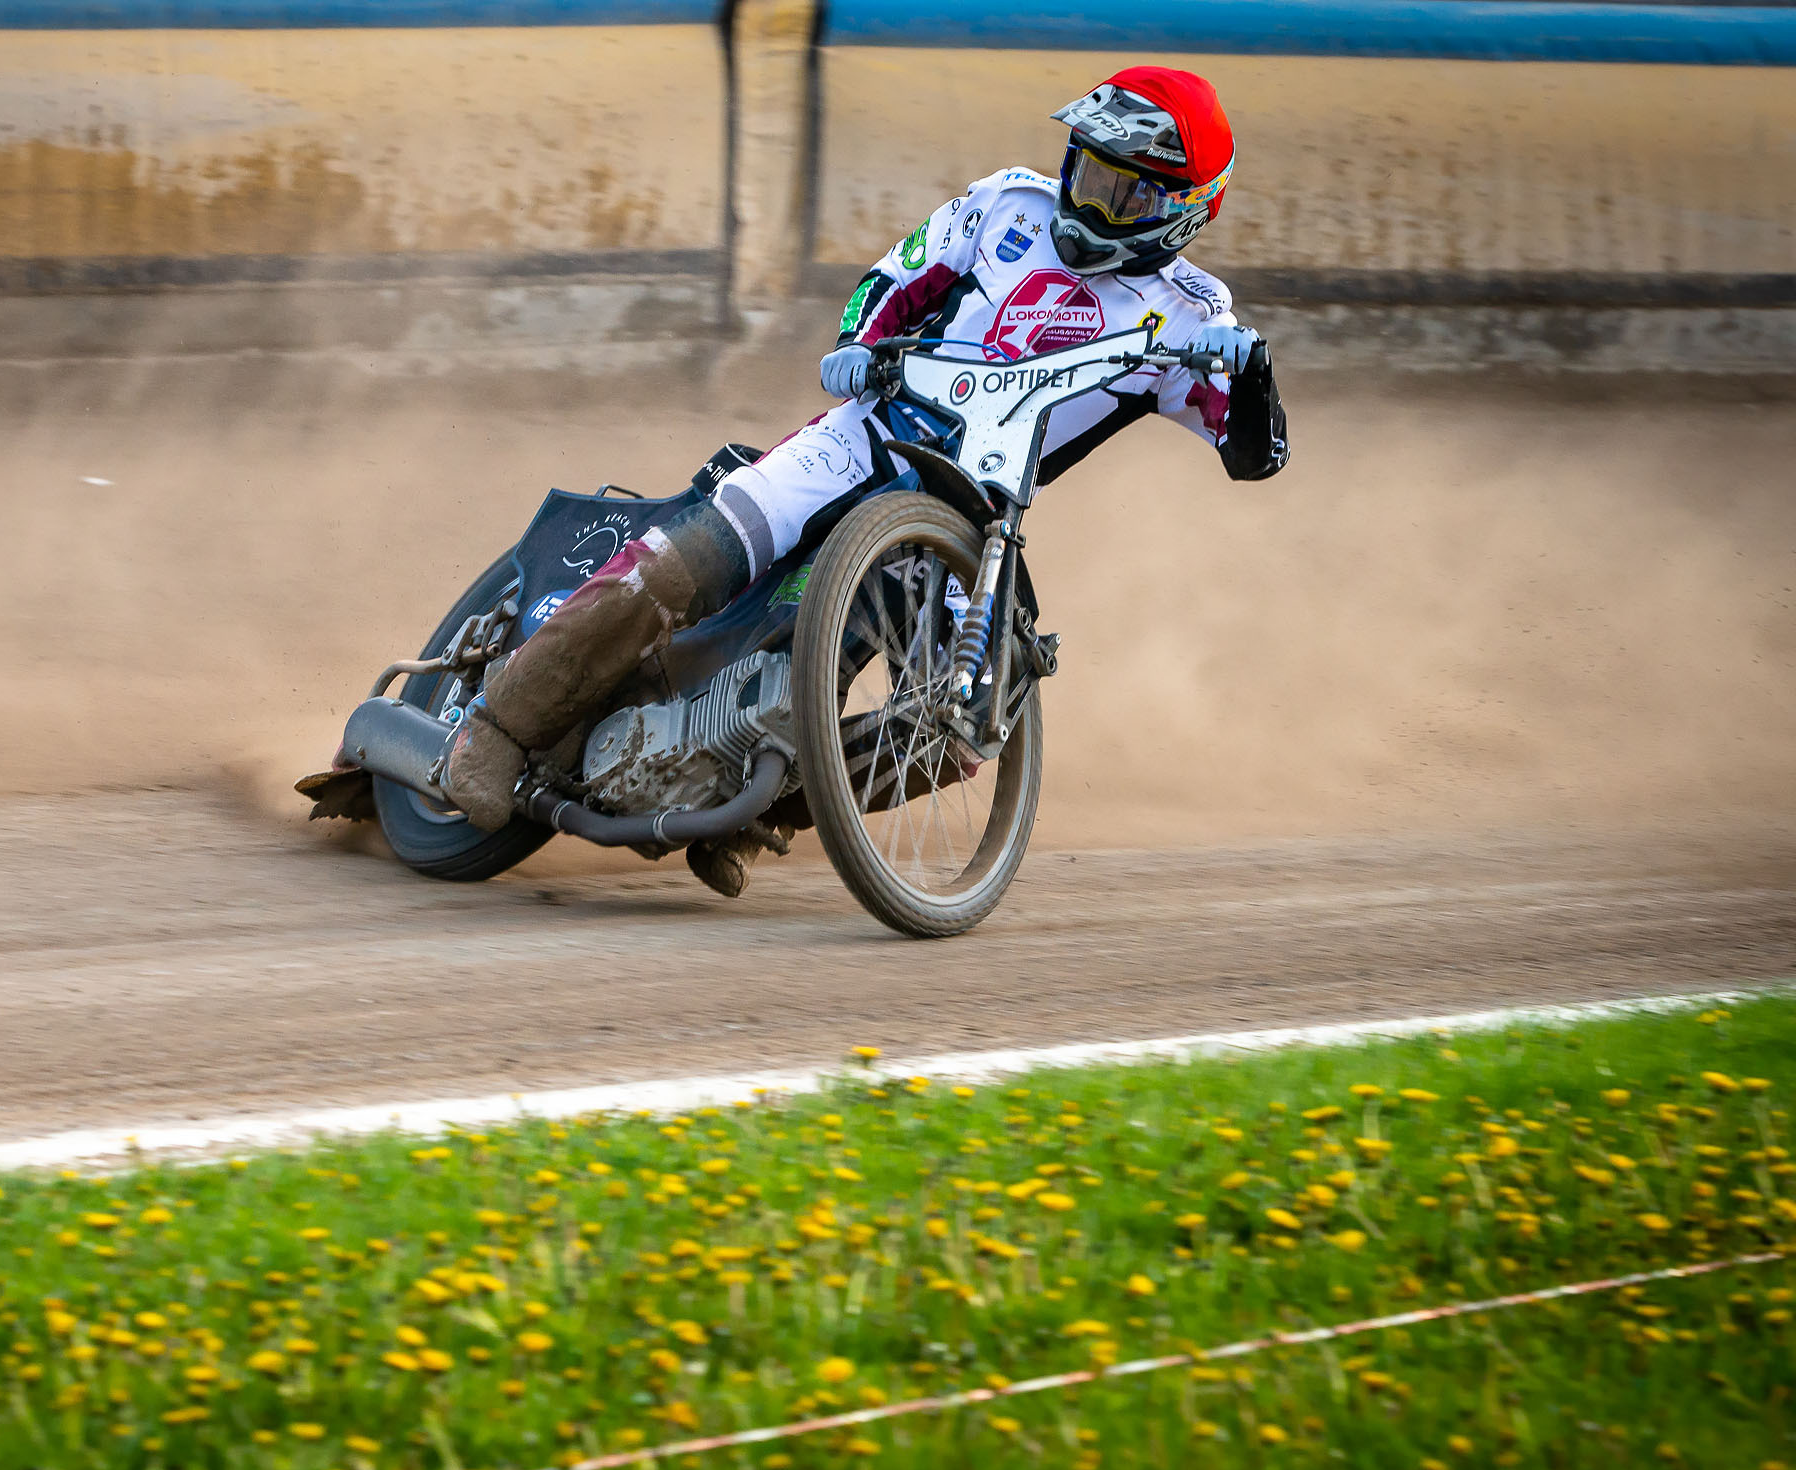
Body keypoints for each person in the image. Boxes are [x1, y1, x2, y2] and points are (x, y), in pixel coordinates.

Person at [445, 65, 1290, 895]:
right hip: (866, 434)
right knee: (692, 555)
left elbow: (1253, 457)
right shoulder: (1009, 202)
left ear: (1187, 210)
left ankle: (763, 803)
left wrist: (1251, 373)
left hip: (968, 517)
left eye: (1126, 194)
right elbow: (894, 277)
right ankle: (494, 729)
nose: (1091, 202)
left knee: (965, 727)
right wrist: (860, 343)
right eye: (1088, 171)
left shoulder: (1192, 317)